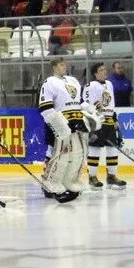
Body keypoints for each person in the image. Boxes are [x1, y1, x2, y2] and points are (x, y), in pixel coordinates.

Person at [37, 57, 83, 203]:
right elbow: (45, 107)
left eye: (65, 64)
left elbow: (79, 102)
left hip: (75, 122)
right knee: (54, 151)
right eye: (61, 65)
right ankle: (48, 183)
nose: (64, 67)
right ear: (54, 67)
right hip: (59, 123)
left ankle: (65, 181)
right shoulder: (49, 82)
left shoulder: (73, 81)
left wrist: (89, 113)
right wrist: (58, 125)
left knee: (72, 155)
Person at [83, 63, 125, 190]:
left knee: (112, 149)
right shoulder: (90, 86)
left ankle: (111, 176)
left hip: (109, 122)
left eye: (105, 69)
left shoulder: (109, 84)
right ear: (95, 73)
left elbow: (110, 105)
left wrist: (115, 118)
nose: (105, 72)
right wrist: (95, 108)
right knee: (95, 149)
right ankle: (92, 177)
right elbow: (85, 103)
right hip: (97, 122)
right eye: (101, 70)